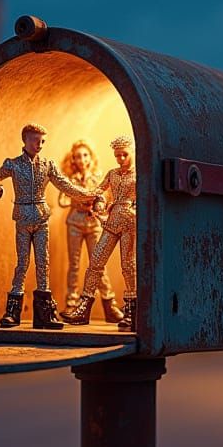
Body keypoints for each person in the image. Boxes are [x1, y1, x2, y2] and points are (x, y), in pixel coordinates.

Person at [0, 123, 91, 329]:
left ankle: (44, 314)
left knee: (43, 263)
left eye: (42, 141)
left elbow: (64, 184)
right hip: (23, 219)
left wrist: (86, 194)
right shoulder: (13, 164)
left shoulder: (47, 165)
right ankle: (13, 312)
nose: (39, 145)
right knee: (22, 263)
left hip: (42, 219)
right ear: (25, 140)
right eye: (35, 140)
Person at [60, 135, 137, 331]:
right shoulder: (112, 174)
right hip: (111, 222)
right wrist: (99, 202)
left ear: (133, 154)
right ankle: (84, 307)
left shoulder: (139, 175)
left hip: (130, 222)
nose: (120, 159)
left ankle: (131, 310)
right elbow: (100, 191)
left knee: (128, 265)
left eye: (124, 155)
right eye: (117, 155)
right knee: (96, 261)